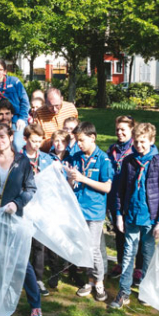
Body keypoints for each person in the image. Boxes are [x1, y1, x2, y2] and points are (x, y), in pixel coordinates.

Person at [0, 124, 42, 316]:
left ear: (11, 136)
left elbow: (30, 188)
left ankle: (35, 305)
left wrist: (17, 203)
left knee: (20, 262)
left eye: (3, 136)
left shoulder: (22, 162)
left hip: (13, 220)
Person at [109, 122, 159, 309]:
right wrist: (119, 215)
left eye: (143, 142)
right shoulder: (129, 162)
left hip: (150, 219)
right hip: (132, 216)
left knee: (148, 253)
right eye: (136, 142)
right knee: (128, 253)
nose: (139, 146)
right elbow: (121, 191)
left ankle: (146, 288)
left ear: (152, 141)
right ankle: (124, 291)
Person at [63, 122, 114, 304]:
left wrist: (83, 178)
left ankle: (99, 281)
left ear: (93, 137)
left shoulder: (103, 159)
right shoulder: (76, 156)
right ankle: (90, 280)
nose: (79, 144)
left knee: (93, 249)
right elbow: (70, 184)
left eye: (82, 140)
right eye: (77, 141)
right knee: (85, 247)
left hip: (94, 211)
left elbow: (107, 187)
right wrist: (70, 178)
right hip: (78, 209)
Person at [23, 124, 55, 295]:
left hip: (41, 207)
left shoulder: (46, 159)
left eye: (39, 141)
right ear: (25, 139)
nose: (36, 145)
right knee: (22, 243)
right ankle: (20, 275)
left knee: (38, 245)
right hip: (22, 207)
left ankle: (38, 278)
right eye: (32, 141)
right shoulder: (18, 158)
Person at [106, 115, 134, 277]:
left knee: (134, 234)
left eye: (123, 129)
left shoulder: (136, 148)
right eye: (117, 129)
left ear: (131, 129)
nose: (120, 133)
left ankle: (137, 268)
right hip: (115, 196)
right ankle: (120, 262)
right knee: (119, 231)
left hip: (130, 197)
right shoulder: (113, 149)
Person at [0, 59, 30, 137]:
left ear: (4, 71)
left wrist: (22, 118)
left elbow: (24, 101)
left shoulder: (14, 82)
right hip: (1, 121)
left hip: (17, 119)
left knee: (17, 144)